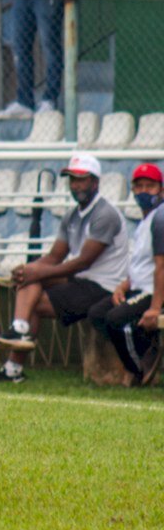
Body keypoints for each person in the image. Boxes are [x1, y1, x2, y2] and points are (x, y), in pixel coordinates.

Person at [0, 154, 128, 383]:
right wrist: (27, 269)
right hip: (82, 281)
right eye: (72, 180)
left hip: (104, 287)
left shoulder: (106, 214)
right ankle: (19, 330)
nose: (75, 185)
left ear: (95, 182)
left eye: (81, 180)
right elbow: (55, 256)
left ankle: (14, 361)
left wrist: (38, 272)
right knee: (29, 278)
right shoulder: (71, 217)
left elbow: (84, 261)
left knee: (34, 292)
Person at [89, 164, 164, 385]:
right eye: (138, 186)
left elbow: (162, 266)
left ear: (161, 189)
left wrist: (155, 308)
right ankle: (143, 345)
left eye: (150, 186)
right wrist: (123, 285)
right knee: (97, 313)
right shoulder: (145, 221)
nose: (143, 191)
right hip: (138, 286)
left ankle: (139, 369)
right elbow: (142, 264)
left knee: (115, 319)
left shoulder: (160, 219)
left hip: (154, 291)